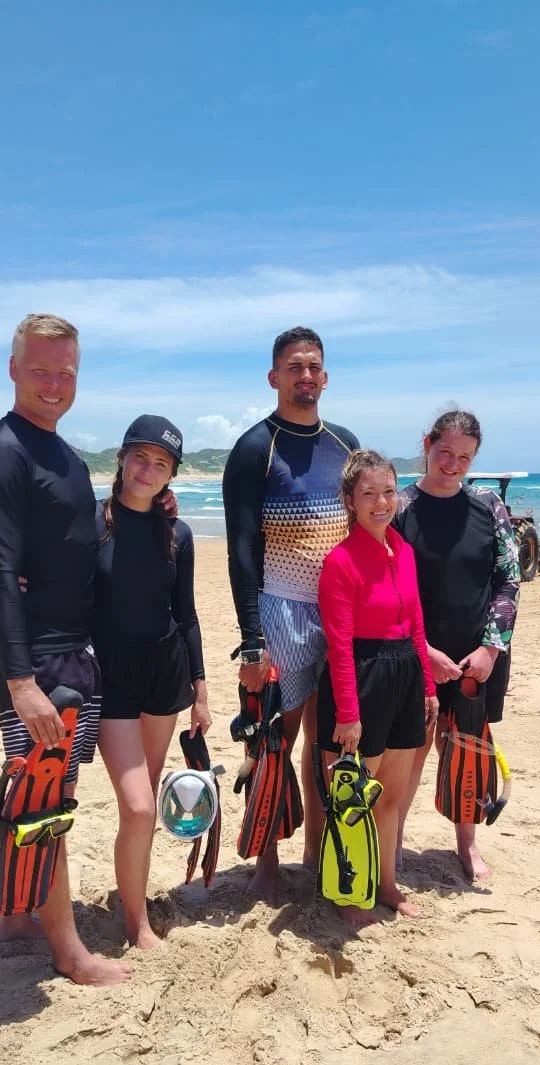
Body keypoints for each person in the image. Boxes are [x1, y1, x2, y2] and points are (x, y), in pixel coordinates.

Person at [0, 312, 129, 986]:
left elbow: (73, 538)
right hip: (33, 661)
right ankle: (69, 951)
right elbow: (0, 573)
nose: (55, 383)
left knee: (33, 791)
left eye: (67, 371)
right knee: (50, 803)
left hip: (71, 651)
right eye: (41, 370)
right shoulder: (2, 453)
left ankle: (14, 917)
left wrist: (137, 516)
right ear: (13, 369)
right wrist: (20, 680)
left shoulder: (65, 455)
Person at [223, 327, 359, 900]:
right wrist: (253, 639)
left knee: (329, 745)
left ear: (325, 377)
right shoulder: (257, 447)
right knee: (274, 739)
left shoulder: (345, 444)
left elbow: (368, 526)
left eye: (314, 367)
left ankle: (314, 851)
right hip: (280, 609)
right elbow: (240, 549)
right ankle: (267, 859)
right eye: (294, 366)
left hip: (341, 613)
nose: (306, 375)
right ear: (274, 377)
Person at [93, 415, 211, 949]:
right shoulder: (92, 523)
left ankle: (132, 897)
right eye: (140, 457)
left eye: (161, 463)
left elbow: (185, 614)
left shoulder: (178, 534)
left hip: (166, 675)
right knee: (139, 805)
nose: (148, 469)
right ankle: (137, 925)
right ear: (121, 458)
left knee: (142, 807)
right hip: (111, 677)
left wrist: (201, 690)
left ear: (171, 475)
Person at [393, 409, 520, 881]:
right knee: (413, 749)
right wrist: (421, 648)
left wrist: (491, 648)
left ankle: (467, 846)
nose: (452, 464)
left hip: (476, 658)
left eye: (463, 457)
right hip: (415, 655)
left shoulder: (488, 506)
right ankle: (397, 838)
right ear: (427, 443)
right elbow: (386, 587)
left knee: (468, 750)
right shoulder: (401, 507)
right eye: (444, 452)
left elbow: (509, 579)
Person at [317, 450, 436, 921]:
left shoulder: (403, 551)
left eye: (388, 491)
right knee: (352, 801)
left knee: (390, 796)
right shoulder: (340, 562)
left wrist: (427, 684)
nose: (381, 502)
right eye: (368, 493)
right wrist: (348, 714)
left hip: (404, 674)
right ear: (350, 499)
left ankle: (386, 884)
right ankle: (349, 894)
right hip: (361, 678)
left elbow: (417, 623)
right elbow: (339, 645)